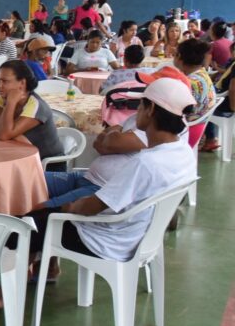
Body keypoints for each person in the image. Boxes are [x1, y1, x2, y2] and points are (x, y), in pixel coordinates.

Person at [11, 79, 196, 287]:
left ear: (151, 109)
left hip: (103, 239)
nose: (136, 112)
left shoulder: (146, 163)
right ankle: (20, 278)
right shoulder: (183, 152)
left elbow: (92, 206)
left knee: (24, 225)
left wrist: (57, 206)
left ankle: (0, 291)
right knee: (38, 211)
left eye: (141, 105)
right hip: (131, 234)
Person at [0, 60, 66, 169]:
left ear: (22, 83)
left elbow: (3, 135)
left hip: (47, 166)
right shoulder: (3, 98)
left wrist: (11, 103)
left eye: (5, 81)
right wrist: (14, 136)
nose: (0, 86)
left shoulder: (36, 105)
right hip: (20, 158)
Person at [160, 39, 214, 146]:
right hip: (196, 126)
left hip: (186, 132)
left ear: (179, 57)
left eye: (174, 54)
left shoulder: (189, 83)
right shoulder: (202, 74)